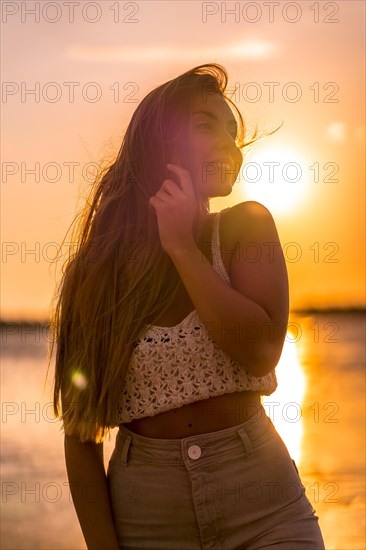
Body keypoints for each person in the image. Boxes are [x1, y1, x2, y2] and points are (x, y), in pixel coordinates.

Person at [47, 63, 325, 549]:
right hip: (149, 520)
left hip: (265, 508)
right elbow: (81, 432)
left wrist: (182, 249)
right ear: (160, 141)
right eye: (206, 126)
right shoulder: (96, 277)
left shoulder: (246, 228)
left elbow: (259, 351)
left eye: (233, 132)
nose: (229, 144)